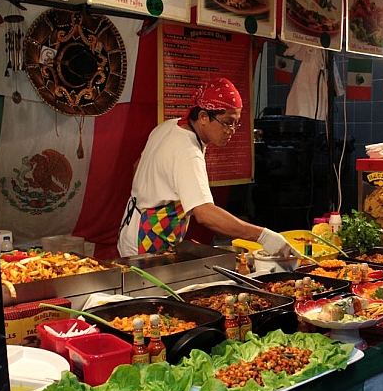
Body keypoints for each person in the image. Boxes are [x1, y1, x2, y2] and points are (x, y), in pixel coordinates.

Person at [117, 77, 297, 258]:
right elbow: (204, 213)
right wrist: (264, 236)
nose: (232, 130)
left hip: (132, 225)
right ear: (203, 117)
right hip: (146, 239)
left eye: (236, 122)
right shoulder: (187, 151)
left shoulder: (168, 126)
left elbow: (137, 166)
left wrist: (153, 195)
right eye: (227, 122)